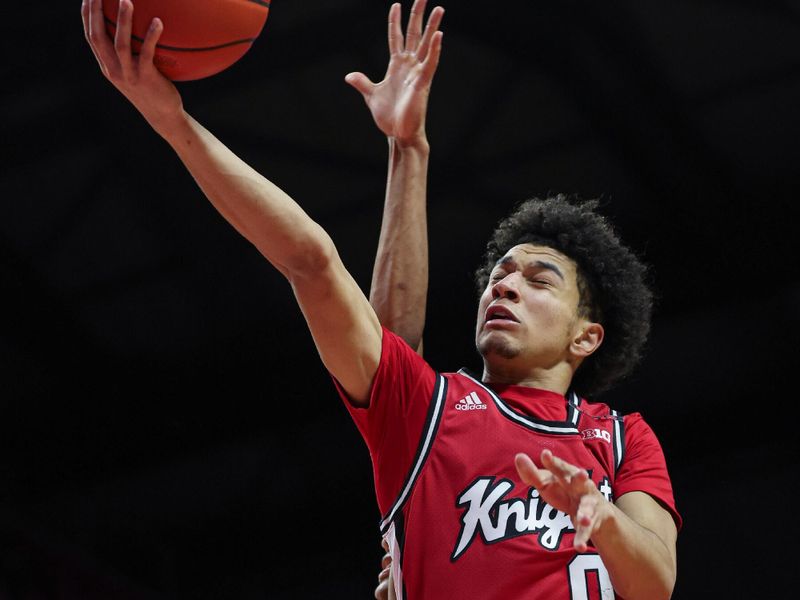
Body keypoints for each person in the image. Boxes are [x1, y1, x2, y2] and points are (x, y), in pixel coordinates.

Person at [82, 0, 679, 598]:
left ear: (586, 335)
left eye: (538, 279)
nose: (505, 284)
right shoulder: (428, 410)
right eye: (500, 274)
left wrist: (601, 519)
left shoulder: (622, 437)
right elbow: (312, 262)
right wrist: (173, 123)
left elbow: (656, 583)